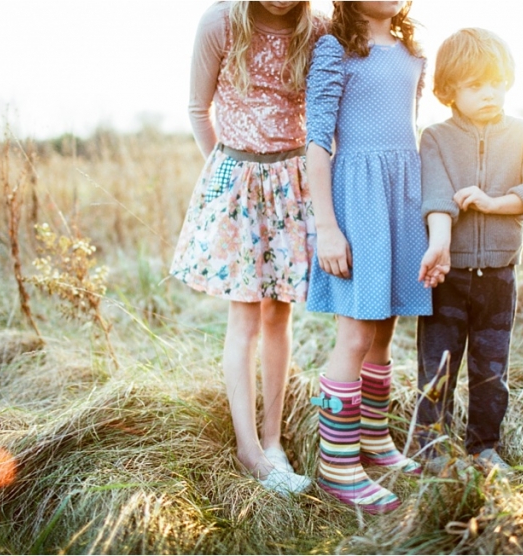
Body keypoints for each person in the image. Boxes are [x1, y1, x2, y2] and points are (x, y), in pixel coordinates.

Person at [171, 1, 327, 495]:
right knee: (244, 317)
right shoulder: (220, 22)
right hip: (238, 182)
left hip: (291, 184)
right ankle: (248, 450)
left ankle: (273, 439)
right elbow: (199, 108)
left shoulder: (317, 29)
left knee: (279, 314)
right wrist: (228, 175)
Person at [305, 1, 441, 514]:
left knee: (385, 329)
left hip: (401, 197)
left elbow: (409, 128)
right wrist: (326, 226)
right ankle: (337, 466)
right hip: (356, 201)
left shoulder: (412, 50)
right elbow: (318, 142)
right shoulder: (333, 49)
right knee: (356, 332)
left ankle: (375, 441)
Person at [416, 28, 523, 474]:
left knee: (491, 369)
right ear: (448, 89)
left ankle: (483, 447)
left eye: (496, 81)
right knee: (438, 367)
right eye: (476, 85)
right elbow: (435, 195)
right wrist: (441, 245)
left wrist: (496, 203)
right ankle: (431, 450)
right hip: (449, 277)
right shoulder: (435, 138)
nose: (489, 93)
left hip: (498, 275)